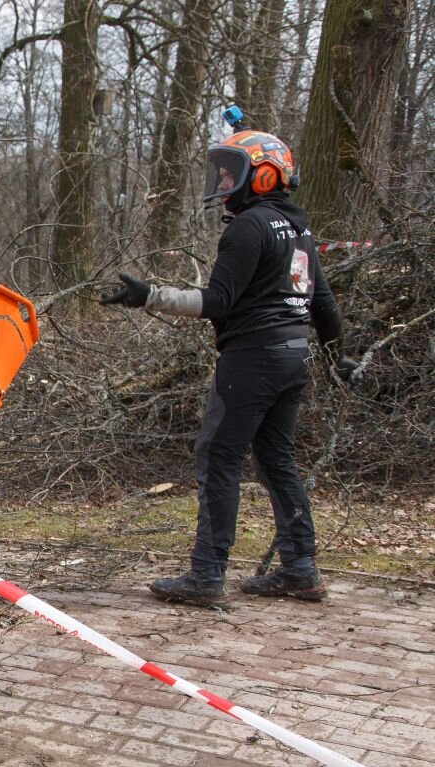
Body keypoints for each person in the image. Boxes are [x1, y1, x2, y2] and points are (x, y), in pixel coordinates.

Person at [101, 128, 357, 605]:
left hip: (252, 359)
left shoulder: (247, 227)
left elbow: (218, 302)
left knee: (219, 457)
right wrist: (335, 353)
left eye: (229, 170)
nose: (222, 179)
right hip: (293, 356)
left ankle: (206, 575)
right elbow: (321, 300)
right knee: (277, 461)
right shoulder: (297, 228)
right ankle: (301, 568)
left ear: (260, 176)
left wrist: (148, 296)